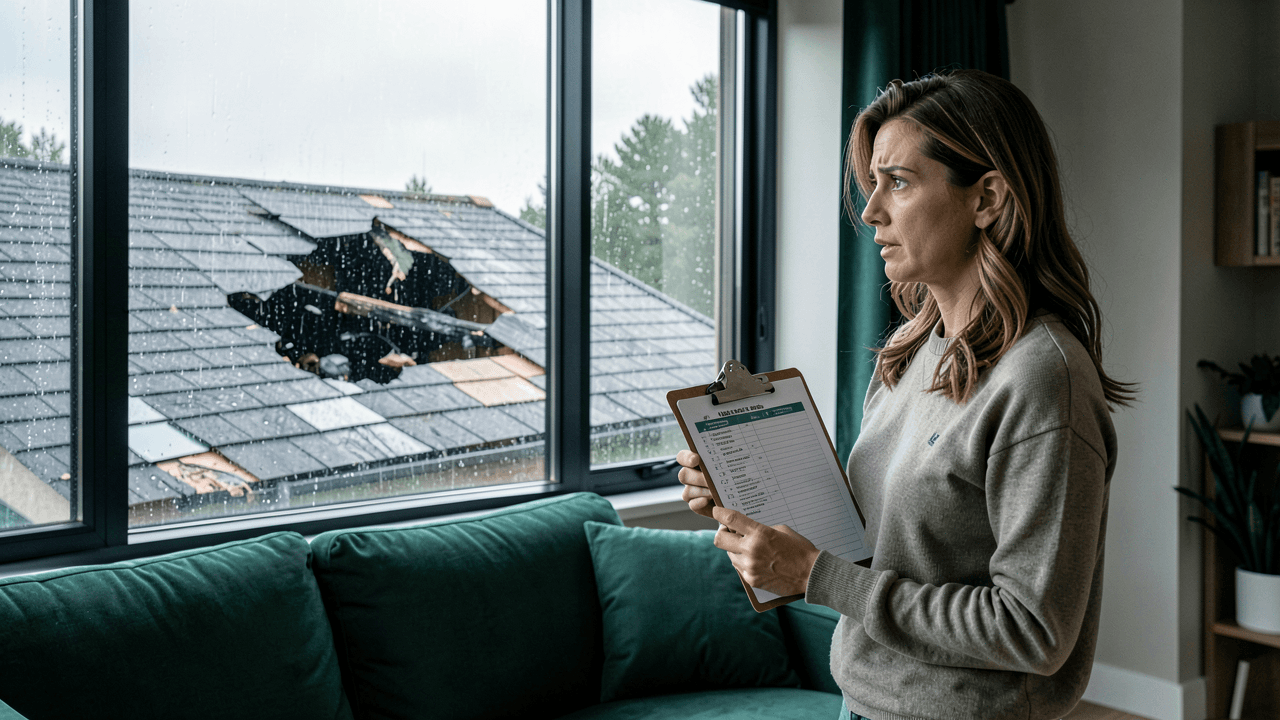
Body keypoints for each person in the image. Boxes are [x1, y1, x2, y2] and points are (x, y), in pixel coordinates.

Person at [675, 69, 1133, 720]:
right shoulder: (911, 354)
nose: (870, 212)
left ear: (988, 199)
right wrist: (742, 490)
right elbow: (882, 543)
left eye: (899, 182)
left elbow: (1033, 629)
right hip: (861, 702)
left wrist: (817, 576)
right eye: (872, 183)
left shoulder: (1043, 380)